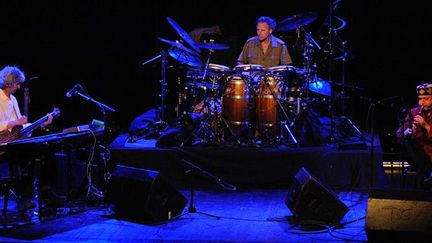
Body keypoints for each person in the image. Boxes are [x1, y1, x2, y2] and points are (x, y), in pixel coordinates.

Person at [0, 65, 60, 212]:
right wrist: (15, 122)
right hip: (2, 143)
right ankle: (23, 197)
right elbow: (13, 124)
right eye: (17, 83)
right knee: (27, 155)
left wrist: (40, 124)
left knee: (46, 148)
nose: (19, 86)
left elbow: (20, 129)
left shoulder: (13, 99)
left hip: (13, 140)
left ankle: (45, 191)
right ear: (8, 83)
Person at [396, 83, 432, 190]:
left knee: (421, 171)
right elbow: (399, 133)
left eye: (426, 98)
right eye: (420, 99)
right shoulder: (414, 112)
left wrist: (425, 125)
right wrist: (407, 131)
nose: (421, 102)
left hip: (429, 152)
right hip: (416, 154)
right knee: (407, 140)